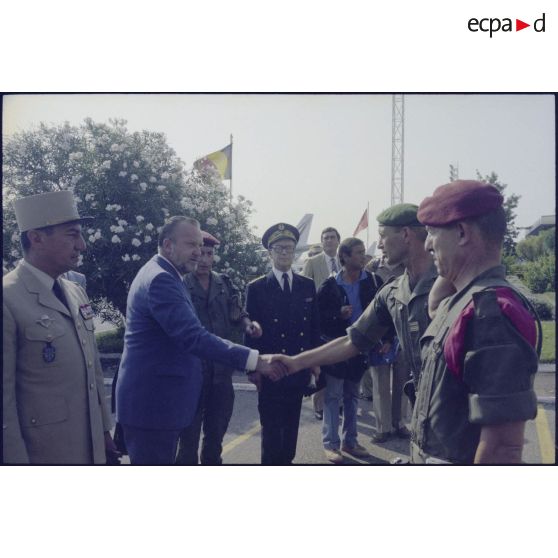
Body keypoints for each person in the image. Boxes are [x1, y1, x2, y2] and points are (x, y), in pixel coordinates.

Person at [115, 216, 285, 464]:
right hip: (154, 408)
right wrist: (255, 360)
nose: (197, 253)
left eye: (199, 245)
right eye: (190, 245)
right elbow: (193, 336)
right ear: (168, 245)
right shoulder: (161, 279)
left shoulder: (168, 273)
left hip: (158, 404)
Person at [271, 204, 438, 448]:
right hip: (424, 430)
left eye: (383, 236)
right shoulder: (392, 292)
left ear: (405, 235)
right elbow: (353, 340)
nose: (378, 245)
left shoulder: (451, 287)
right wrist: (297, 361)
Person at [410, 180, 541, 464]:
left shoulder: (491, 314)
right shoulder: (462, 301)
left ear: (461, 232)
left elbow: (502, 449)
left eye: (432, 232)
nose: (427, 244)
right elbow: (434, 306)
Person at [3, 190, 117, 464]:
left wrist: (103, 431)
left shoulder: (76, 292)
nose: (82, 245)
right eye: (72, 235)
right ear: (37, 237)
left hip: (89, 450)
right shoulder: (8, 299)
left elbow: (94, 371)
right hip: (43, 456)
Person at [175, 231, 263, 465]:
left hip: (221, 373)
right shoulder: (182, 283)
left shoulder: (223, 282)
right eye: (201, 253)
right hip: (193, 372)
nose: (204, 259)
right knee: (188, 439)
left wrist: (249, 325)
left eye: (209, 254)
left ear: (214, 257)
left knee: (216, 435)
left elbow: (237, 312)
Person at [245, 223, 321, 464]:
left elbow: (312, 328)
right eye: (279, 248)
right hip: (270, 370)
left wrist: (314, 363)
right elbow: (250, 332)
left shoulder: (306, 285)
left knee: (291, 427)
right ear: (270, 253)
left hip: (297, 368)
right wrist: (253, 369)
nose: (285, 253)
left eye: (289, 248)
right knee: (271, 431)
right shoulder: (256, 288)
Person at [316, 237, 386, 463]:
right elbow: (317, 318)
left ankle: (350, 441)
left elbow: (383, 312)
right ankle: (331, 444)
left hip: (360, 349)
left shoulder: (373, 281)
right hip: (337, 348)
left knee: (352, 397)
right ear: (344, 256)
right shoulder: (329, 285)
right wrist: (338, 313)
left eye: (363, 252)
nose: (363, 256)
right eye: (358, 252)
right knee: (333, 397)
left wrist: (386, 339)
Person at [301, 226, 341, 420]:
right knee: (319, 362)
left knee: (337, 363)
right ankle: (318, 405)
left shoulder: (343, 261)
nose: (329, 241)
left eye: (332, 237)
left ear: (338, 241)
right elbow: (305, 289)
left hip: (340, 319)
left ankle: (335, 402)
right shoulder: (313, 262)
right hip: (318, 319)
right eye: (325, 238)